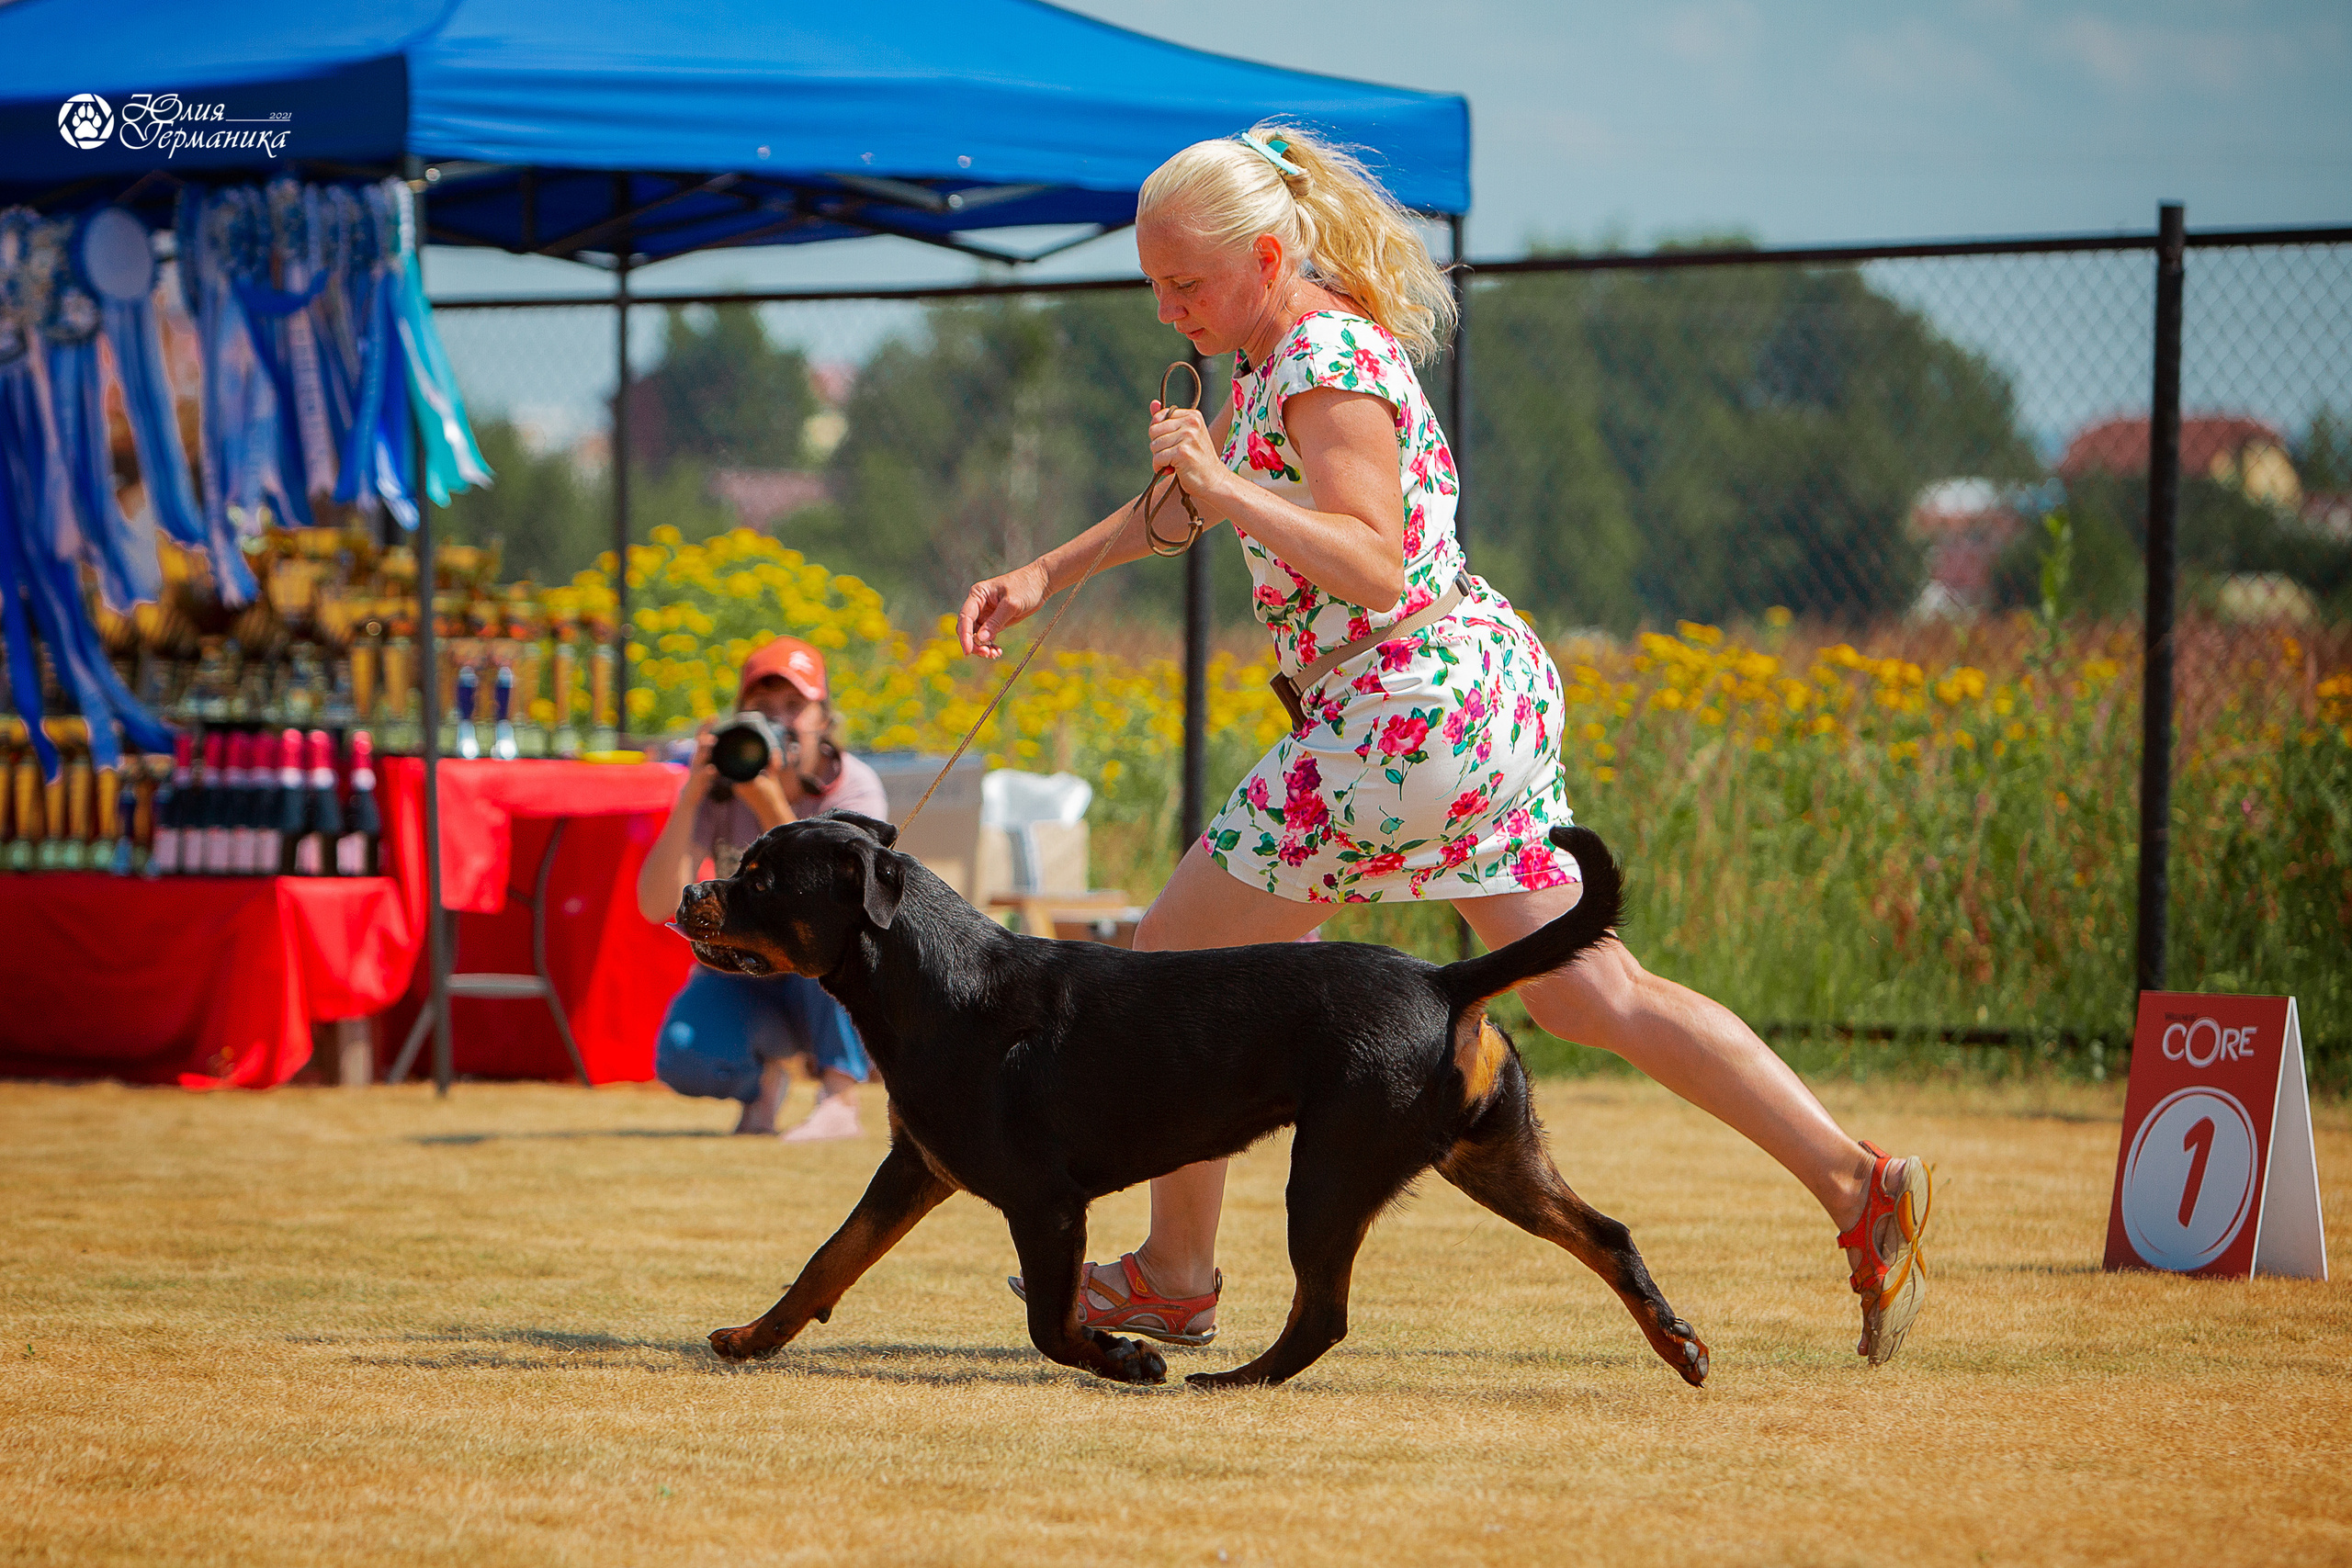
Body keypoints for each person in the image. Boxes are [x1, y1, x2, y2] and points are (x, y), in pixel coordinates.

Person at [959, 125, 1933, 1365]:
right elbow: (1188, 503)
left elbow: (1367, 559)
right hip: (1465, 698)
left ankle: (1173, 1274)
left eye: (1188, 283)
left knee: (1172, 965)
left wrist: (1226, 489)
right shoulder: (1281, 350)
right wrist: (1051, 567)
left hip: (1403, 707)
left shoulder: (1317, 354)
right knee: (1591, 989)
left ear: (1266, 254)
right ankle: (1861, 1184)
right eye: (1152, 283)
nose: (1169, 307)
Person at [637, 637, 889, 1141]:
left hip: (828, 980)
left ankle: (840, 1097)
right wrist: (690, 799)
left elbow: (841, 909)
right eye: (763, 708)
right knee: (683, 1055)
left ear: (824, 719)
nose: (780, 720)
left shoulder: (853, 788)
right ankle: (764, 1083)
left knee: (830, 943)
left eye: (795, 707)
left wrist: (771, 803)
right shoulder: (722, 786)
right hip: (750, 971)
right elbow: (656, 906)